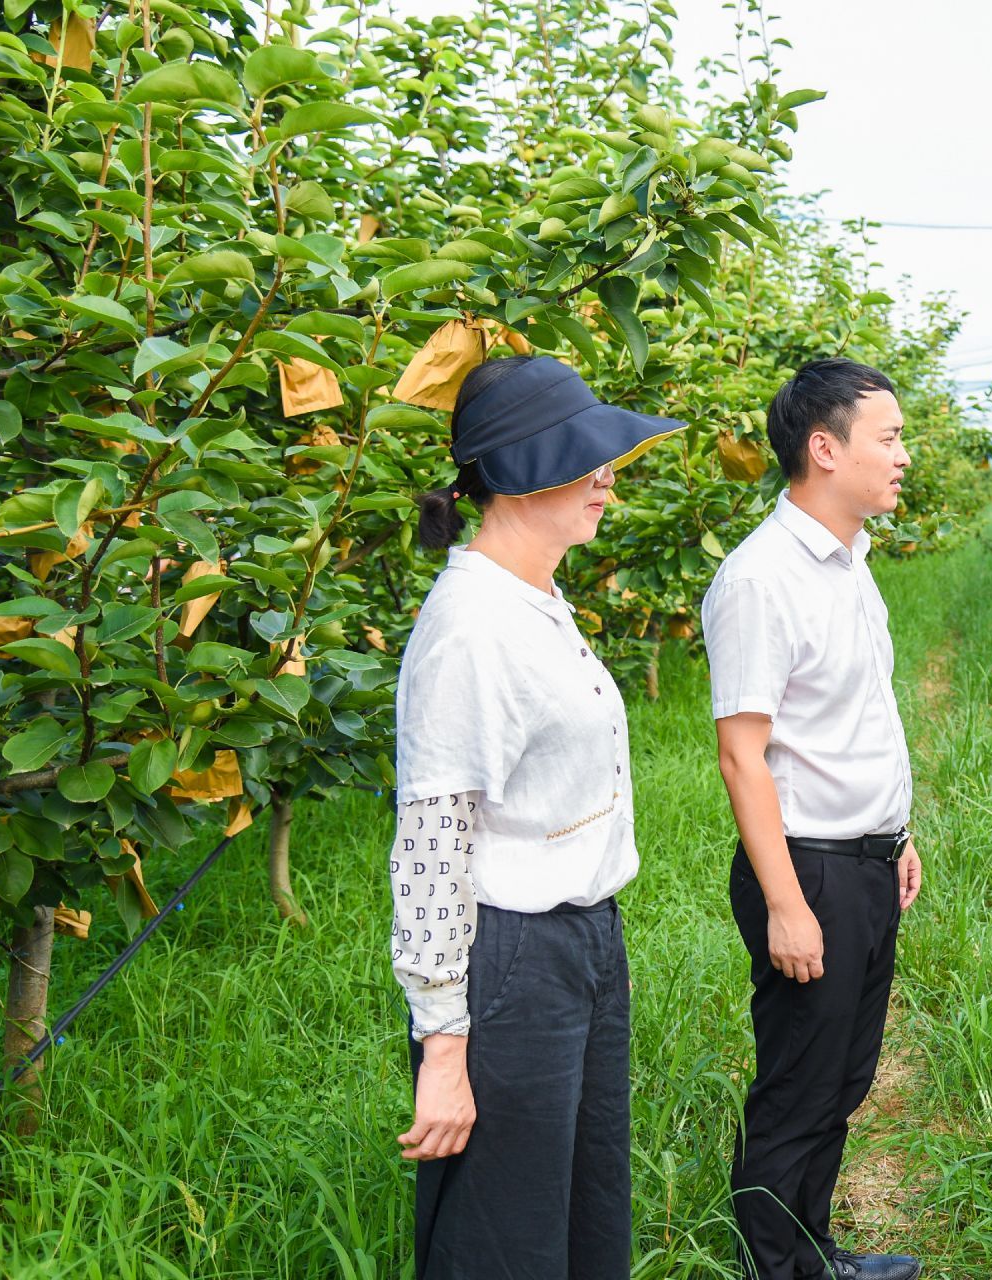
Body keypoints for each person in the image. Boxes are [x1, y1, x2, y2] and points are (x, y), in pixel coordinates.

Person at [389, 354, 683, 1280]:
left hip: (582, 942)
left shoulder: (536, 599)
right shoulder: (472, 627)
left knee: (583, 1200)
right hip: (510, 957)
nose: (607, 480)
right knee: (503, 1231)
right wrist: (444, 1045)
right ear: (519, 475)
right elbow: (433, 841)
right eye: (585, 461)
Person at [701, 359, 925, 1280]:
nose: (906, 456)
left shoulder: (852, 566)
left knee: (844, 1078)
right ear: (825, 450)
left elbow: (854, 718)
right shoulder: (762, 580)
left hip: (864, 864)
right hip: (809, 871)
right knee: (798, 1084)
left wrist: (898, 834)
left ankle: (813, 1248)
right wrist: (788, 902)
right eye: (891, 437)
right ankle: (775, 1266)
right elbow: (741, 754)